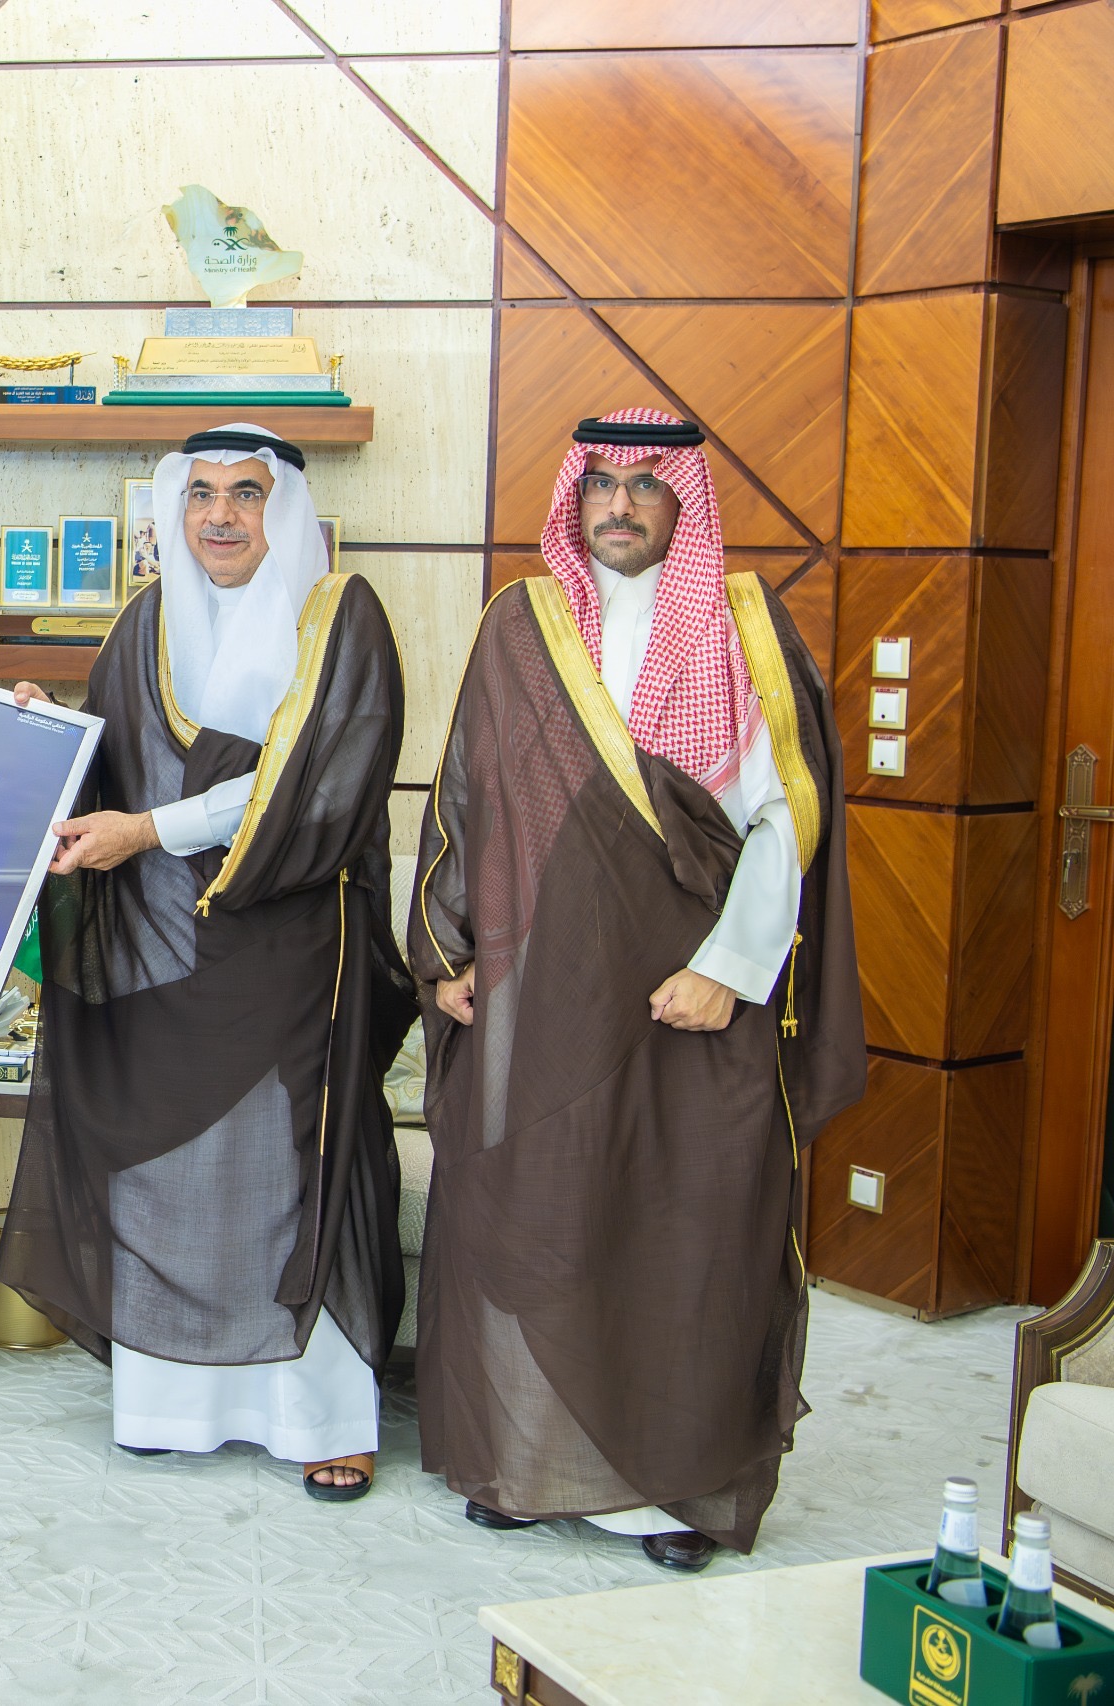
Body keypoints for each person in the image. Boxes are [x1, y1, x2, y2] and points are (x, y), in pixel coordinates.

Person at [410, 409, 863, 1571]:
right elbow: (466, 798)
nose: (617, 505)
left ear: (682, 501)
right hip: (544, 990)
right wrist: (449, 954)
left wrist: (726, 970)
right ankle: (525, 1460)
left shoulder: (744, 626)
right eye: (599, 483)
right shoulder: (522, 623)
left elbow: (786, 822)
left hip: (690, 996)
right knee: (537, 1214)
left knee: (683, 1229)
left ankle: (669, 1492)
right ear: (575, 496)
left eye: (643, 484)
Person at [0, 425, 415, 1497]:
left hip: (290, 946)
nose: (220, 516)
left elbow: (316, 780)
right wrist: (47, 734)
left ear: (286, 510)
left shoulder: (339, 616)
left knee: (292, 1165)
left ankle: (321, 1414)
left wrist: (146, 830)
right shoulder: (143, 620)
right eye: (200, 495)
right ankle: (171, 1404)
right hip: (156, 942)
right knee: (165, 1165)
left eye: (246, 494)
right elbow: (117, 757)